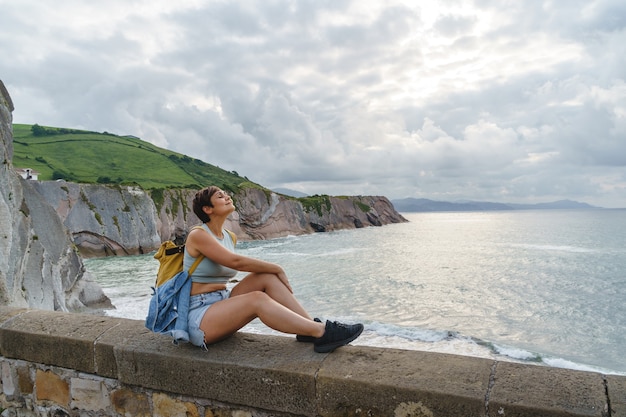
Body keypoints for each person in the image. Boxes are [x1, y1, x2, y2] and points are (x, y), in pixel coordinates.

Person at [183, 186, 363, 353]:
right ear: (208, 209)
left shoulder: (229, 236)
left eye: (226, 194)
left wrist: (273, 272)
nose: (227, 197)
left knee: (266, 277)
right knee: (257, 298)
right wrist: (278, 268)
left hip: (221, 303)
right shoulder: (198, 235)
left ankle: (308, 328)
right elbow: (236, 262)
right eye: (220, 196)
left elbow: (241, 264)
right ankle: (322, 332)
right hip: (199, 316)